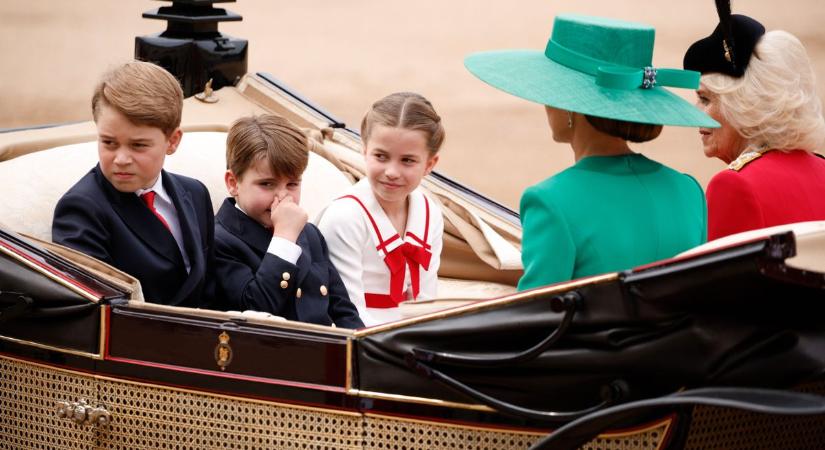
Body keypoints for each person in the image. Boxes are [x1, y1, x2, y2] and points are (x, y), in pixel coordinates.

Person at [464, 14, 718, 290]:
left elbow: (535, 319)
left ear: (571, 106)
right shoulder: (688, 190)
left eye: (552, 90)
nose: (545, 103)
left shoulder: (551, 202)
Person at [52, 61, 219, 308]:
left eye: (138, 145)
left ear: (172, 141)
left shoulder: (195, 193)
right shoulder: (81, 209)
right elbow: (95, 311)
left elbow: (211, 287)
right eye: (109, 143)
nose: (120, 159)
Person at [683, 3, 825, 240]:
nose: (694, 113)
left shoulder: (733, 186)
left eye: (705, 99)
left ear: (743, 106)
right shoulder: (822, 170)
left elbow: (716, 277)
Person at [215, 115, 363, 329]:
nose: (283, 197)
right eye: (267, 184)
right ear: (233, 183)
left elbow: (343, 311)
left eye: (292, 184)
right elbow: (254, 311)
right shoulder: (219, 240)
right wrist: (284, 238)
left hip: (325, 353)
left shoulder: (310, 234)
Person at [317, 92, 445, 326]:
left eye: (407, 160)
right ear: (364, 151)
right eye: (381, 156)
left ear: (429, 164)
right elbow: (347, 312)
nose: (392, 171)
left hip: (411, 333)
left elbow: (427, 300)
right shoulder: (344, 217)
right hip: (359, 337)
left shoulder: (430, 212)